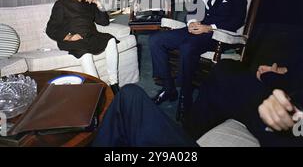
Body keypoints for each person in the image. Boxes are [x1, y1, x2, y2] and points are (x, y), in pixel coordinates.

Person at [92, 59, 303, 147]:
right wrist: (280, 73)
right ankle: (189, 131)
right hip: (283, 100)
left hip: (287, 125)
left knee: (130, 98)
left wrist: (294, 120)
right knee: (225, 69)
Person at [149, 0, 247, 120]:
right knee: (155, 40)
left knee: (188, 47)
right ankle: (168, 88)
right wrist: (193, 23)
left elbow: (237, 19)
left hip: (216, 34)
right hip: (195, 29)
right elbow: (193, 11)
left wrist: (209, 27)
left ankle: (185, 96)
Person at [46, 0, 119, 94]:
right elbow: (50, 28)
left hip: (91, 36)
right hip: (74, 39)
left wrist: (98, 3)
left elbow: (104, 22)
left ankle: (114, 83)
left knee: (110, 39)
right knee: (85, 54)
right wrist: (69, 37)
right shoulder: (61, 4)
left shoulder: (89, 3)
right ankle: (98, 88)